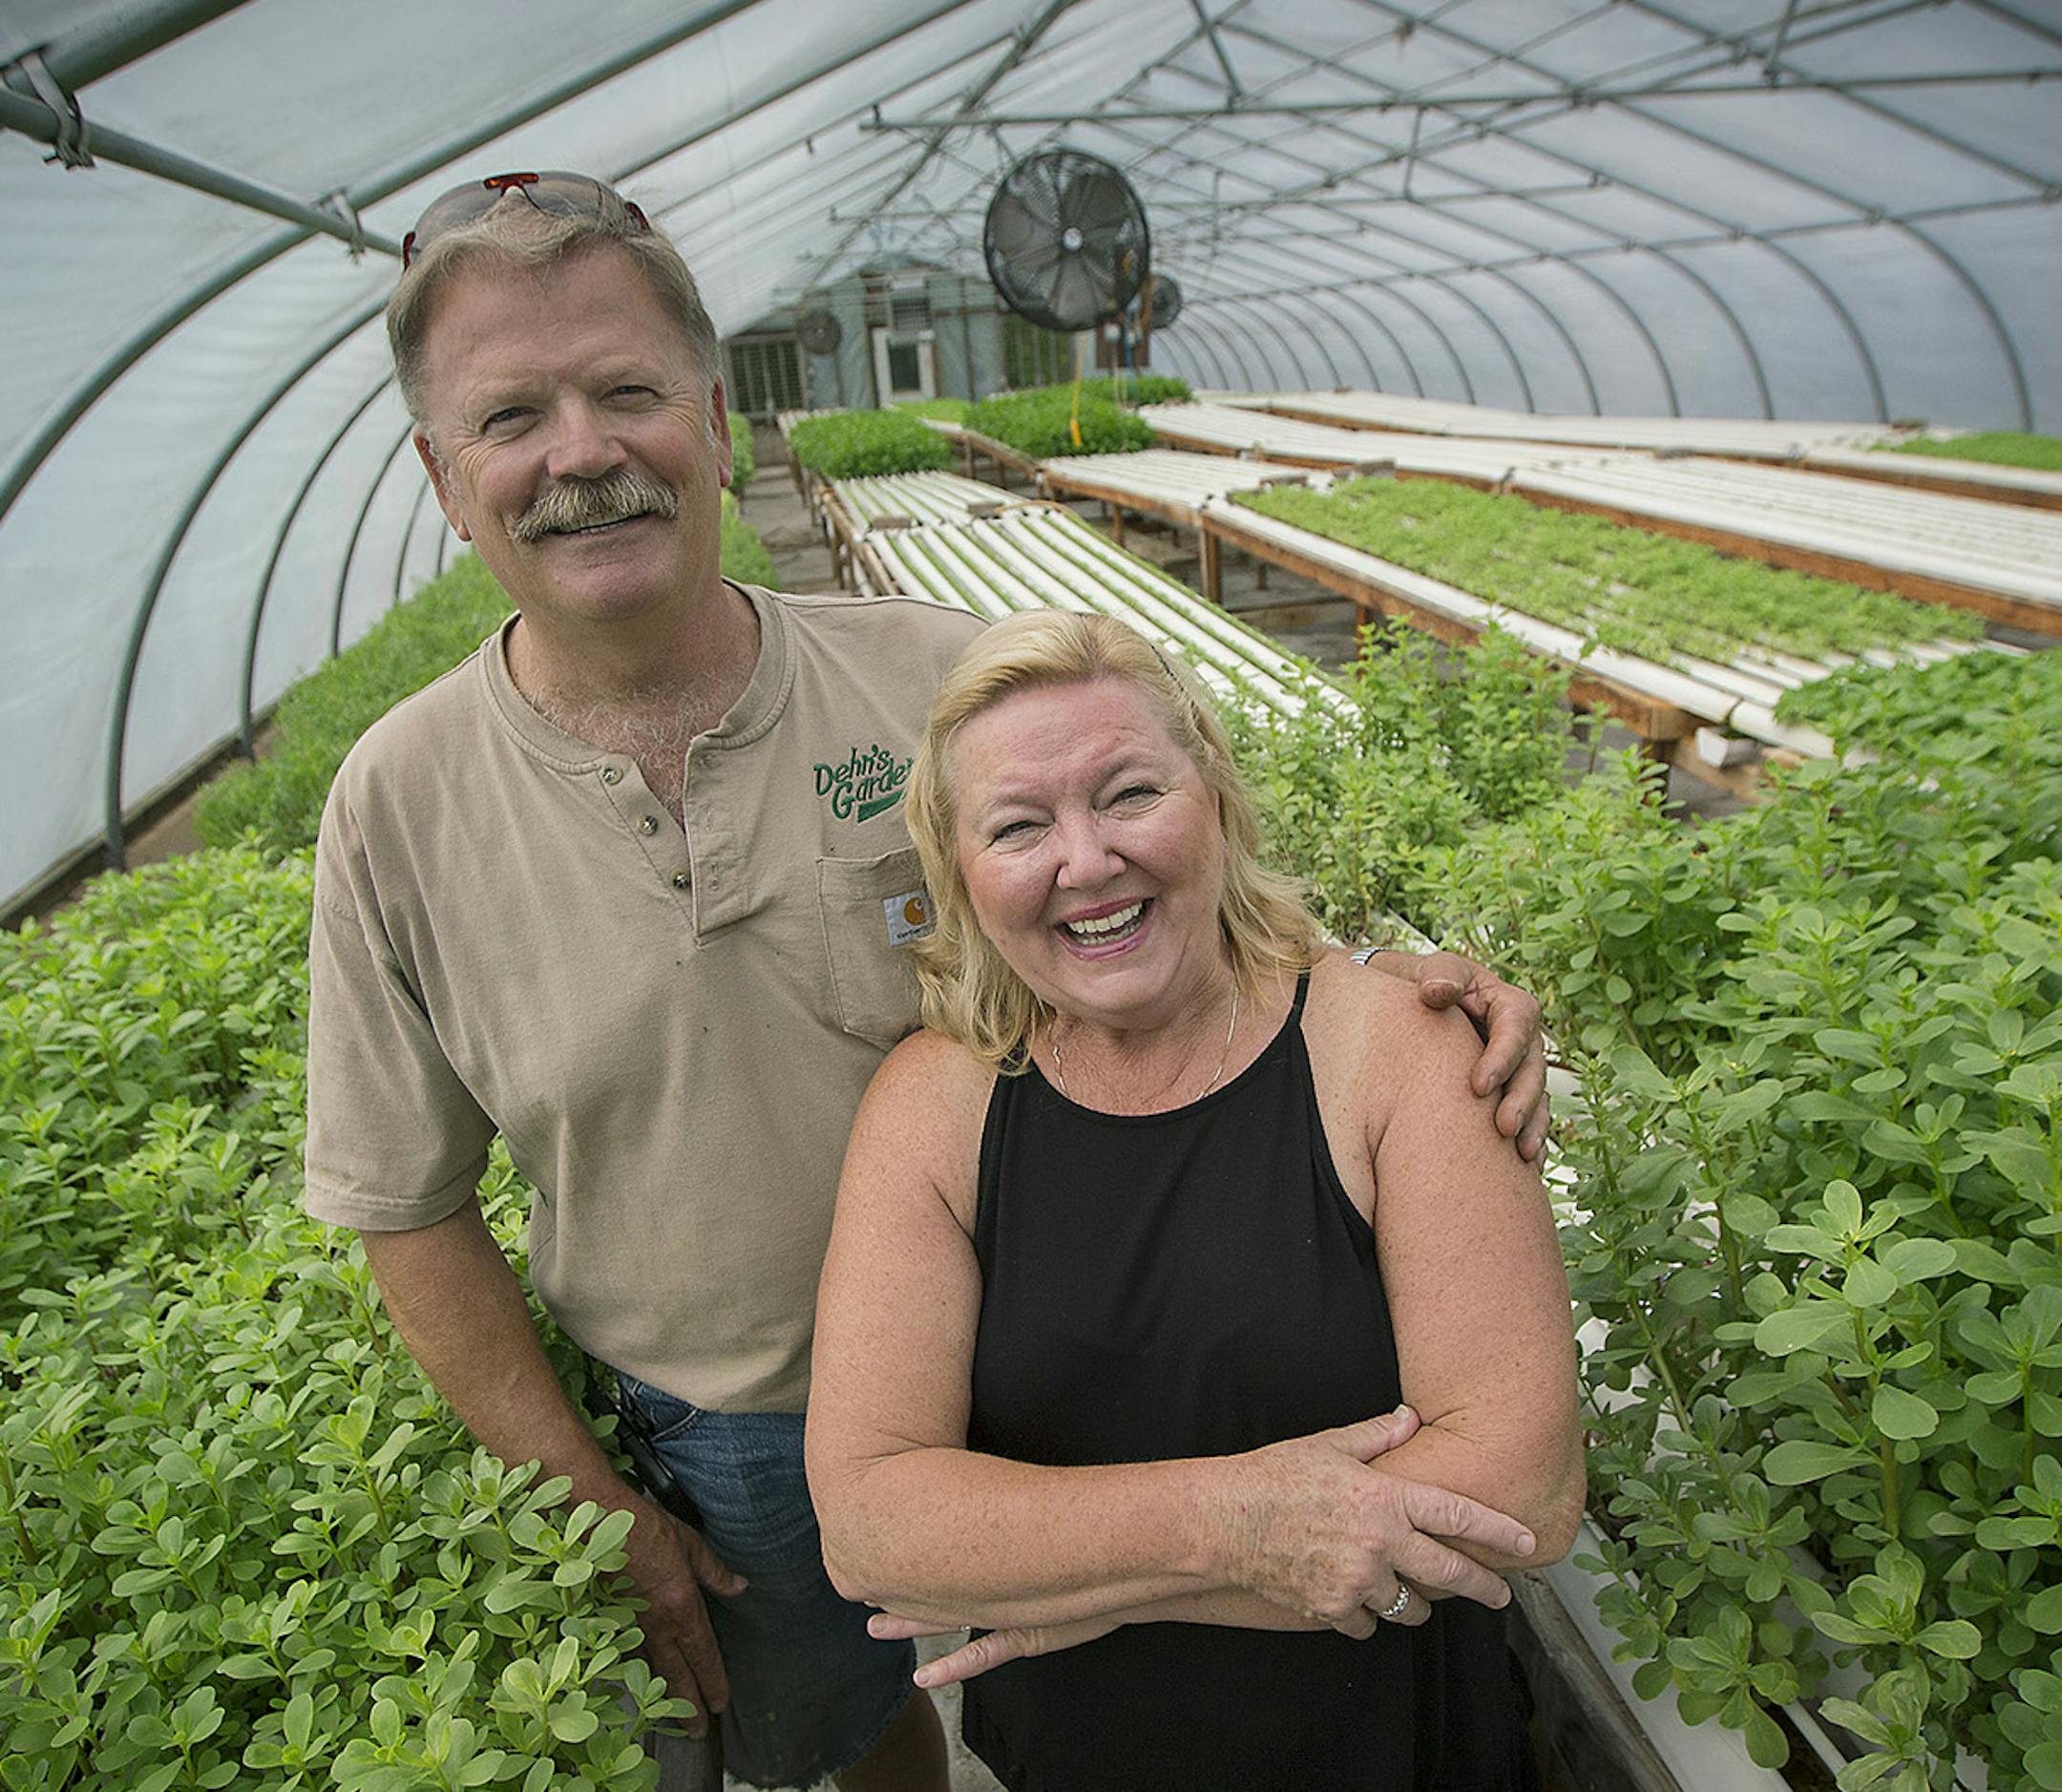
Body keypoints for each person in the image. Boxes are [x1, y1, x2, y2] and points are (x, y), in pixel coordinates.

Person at [303, 169, 1554, 1791]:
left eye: (628, 392)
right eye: (513, 415)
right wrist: (594, 1505)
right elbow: (406, 1205)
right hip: (742, 1426)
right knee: (854, 1732)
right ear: (443, 474)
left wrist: (1397, 989)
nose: (583, 453)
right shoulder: (396, 808)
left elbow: (1176, 887)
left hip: (1083, 1340)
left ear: (716, 414)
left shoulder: (934, 682)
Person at [807, 610, 1584, 1791]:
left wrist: (1076, 1589)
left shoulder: (1393, 1050)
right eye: (1019, 825)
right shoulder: (937, 1106)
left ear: (1213, 794)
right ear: (959, 872)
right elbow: (872, 1522)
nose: (1086, 859)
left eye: (1127, 794)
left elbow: (1522, 1481)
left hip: (1388, 1746)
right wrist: (1237, 1526)